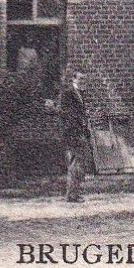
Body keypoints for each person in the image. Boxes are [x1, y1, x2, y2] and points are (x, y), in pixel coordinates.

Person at [52, 69, 92, 203]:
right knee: (78, 162)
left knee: (78, 162)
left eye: (84, 79)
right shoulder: (68, 93)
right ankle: (72, 194)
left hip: (79, 132)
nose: (82, 82)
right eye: (80, 79)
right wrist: (77, 125)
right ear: (74, 79)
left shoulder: (81, 94)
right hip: (72, 133)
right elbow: (65, 113)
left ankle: (73, 193)